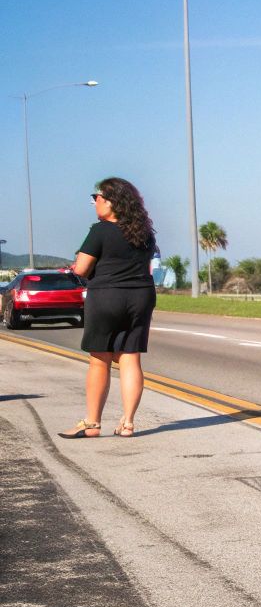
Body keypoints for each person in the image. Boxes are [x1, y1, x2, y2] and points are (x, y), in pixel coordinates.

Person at [59, 178, 158, 439]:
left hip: (107, 295)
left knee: (99, 359)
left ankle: (91, 423)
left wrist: (74, 267)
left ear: (112, 201)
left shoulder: (100, 230)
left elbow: (81, 268)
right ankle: (128, 423)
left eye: (98, 197)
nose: (95, 202)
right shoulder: (144, 232)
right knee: (130, 356)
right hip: (141, 296)